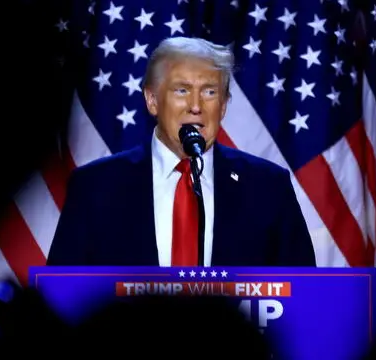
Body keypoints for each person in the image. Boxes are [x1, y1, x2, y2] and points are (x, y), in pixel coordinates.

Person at [46, 37, 316, 267]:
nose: (195, 106)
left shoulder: (268, 187)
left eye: (210, 92)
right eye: (182, 90)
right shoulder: (95, 186)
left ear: (223, 106)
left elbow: (305, 295)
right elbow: (61, 294)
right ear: (152, 100)